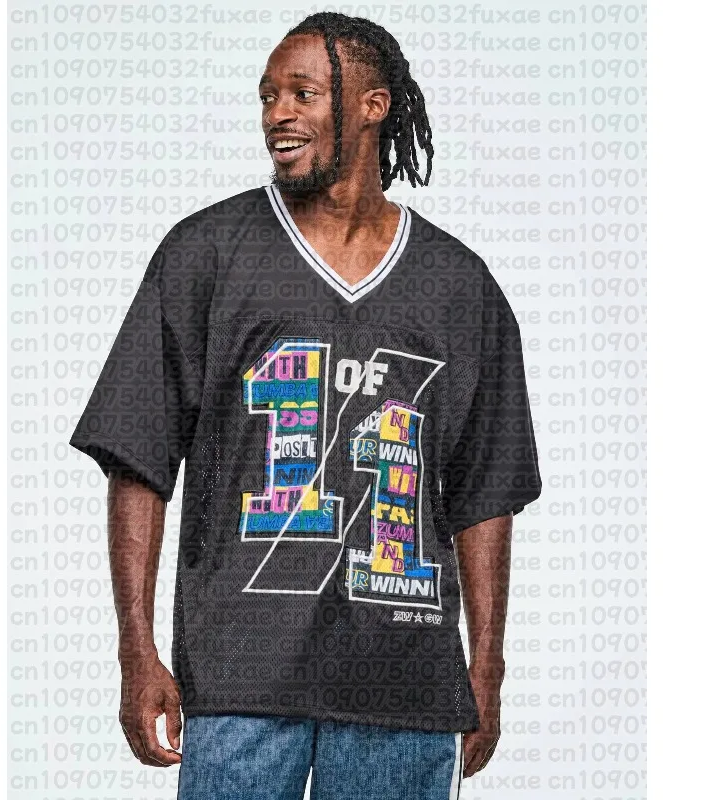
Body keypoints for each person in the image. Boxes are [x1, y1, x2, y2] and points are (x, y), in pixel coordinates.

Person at [70, 11, 541, 800]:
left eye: (302, 93)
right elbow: (137, 461)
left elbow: (485, 494)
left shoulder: (459, 285)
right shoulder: (205, 253)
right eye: (267, 97)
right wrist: (135, 651)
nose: (277, 115)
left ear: (373, 105)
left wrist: (486, 665)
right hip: (239, 680)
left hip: (405, 686)